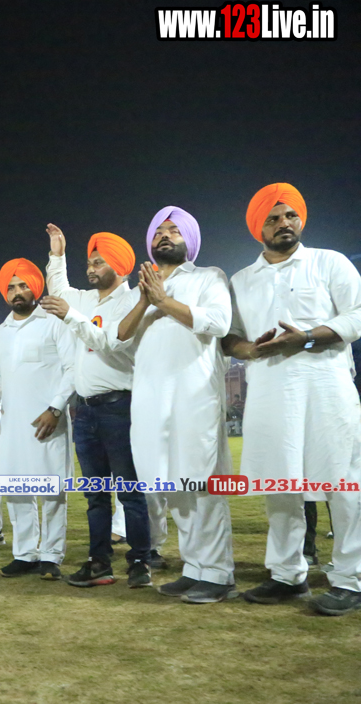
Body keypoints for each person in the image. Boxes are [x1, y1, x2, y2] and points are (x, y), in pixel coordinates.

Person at [223, 183, 361, 615]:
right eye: (273, 218)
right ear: (258, 228)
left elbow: (357, 315)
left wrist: (306, 338)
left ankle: (351, 578)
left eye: (290, 216)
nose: (284, 223)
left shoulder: (328, 262)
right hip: (269, 389)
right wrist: (250, 349)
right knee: (278, 484)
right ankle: (287, 575)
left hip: (327, 386)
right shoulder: (241, 280)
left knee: (342, 482)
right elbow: (229, 337)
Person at [117, 206, 235, 604]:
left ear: (190, 240)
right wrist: (146, 301)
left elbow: (219, 323)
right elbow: (120, 340)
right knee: (172, 486)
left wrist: (163, 302)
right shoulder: (142, 291)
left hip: (194, 396)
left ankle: (217, 574)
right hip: (151, 400)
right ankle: (194, 568)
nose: (165, 235)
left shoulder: (208, 277)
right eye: (158, 231)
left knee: (202, 485)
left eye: (174, 230)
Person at [39, 226, 154, 589]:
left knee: (130, 491)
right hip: (85, 411)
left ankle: (140, 561)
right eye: (89, 262)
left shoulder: (133, 301)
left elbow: (109, 342)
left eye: (98, 262)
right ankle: (100, 561)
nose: (90, 269)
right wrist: (57, 254)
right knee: (95, 494)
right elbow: (58, 290)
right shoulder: (86, 300)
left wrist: (71, 317)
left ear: (119, 265)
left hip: (120, 408)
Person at [0, 258, 76, 580]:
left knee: (52, 492)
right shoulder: (2, 331)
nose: (17, 292)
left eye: (23, 285)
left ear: (35, 288)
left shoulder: (53, 322)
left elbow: (73, 368)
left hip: (47, 423)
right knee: (17, 490)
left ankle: (51, 555)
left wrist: (56, 409)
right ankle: (25, 554)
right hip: (11, 425)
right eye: (11, 287)